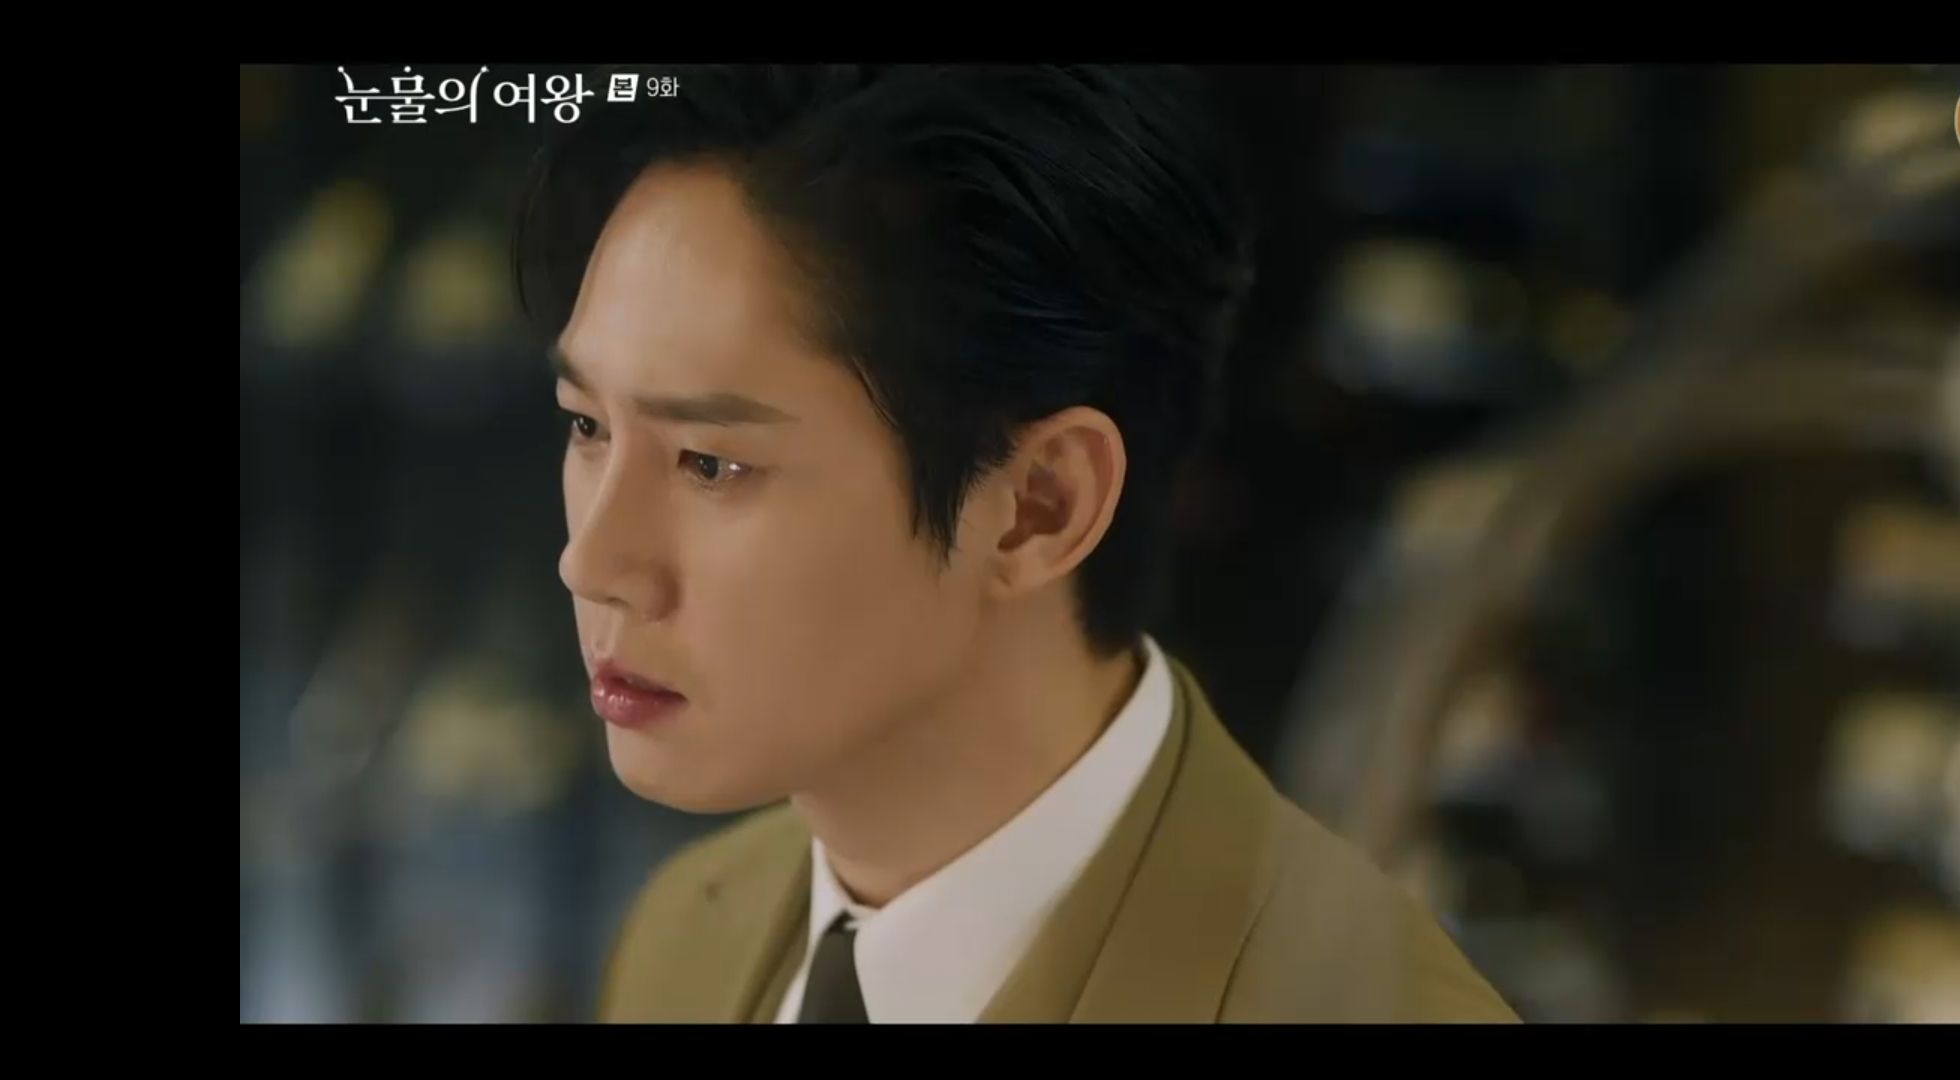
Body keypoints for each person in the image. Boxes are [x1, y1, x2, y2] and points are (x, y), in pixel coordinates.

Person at [513, 64, 1517, 1024]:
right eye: (587, 425)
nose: (591, 563)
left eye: (710, 463)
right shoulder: (690, 927)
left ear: (1040, 504)